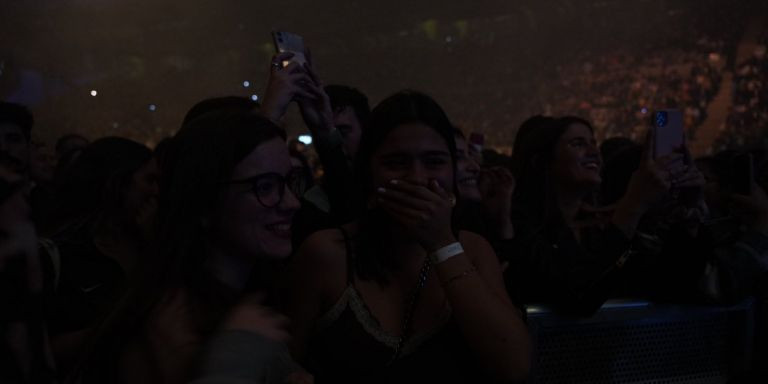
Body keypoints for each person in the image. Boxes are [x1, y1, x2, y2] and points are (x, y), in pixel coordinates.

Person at [283, 91, 530, 384]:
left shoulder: (473, 250)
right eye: (396, 162)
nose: (417, 177)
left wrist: (442, 244)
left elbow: (514, 366)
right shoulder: (327, 253)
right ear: (369, 172)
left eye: (434, 161)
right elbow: (285, 363)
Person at [74, 111, 305, 384]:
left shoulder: (238, 299)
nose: (292, 203)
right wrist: (237, 356)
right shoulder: (171, 324)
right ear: (205, 203)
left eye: (290, 182)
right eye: (265, 187)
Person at [508, 116, 703, 314]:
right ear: (542, 160)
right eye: (578, 144)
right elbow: (577, 296)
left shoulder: (601, 225)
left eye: (594, 143)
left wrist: (688, 216)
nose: (594, 152)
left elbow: (672, 288)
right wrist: (633, 204)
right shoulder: (519, 224)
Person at [44, 137, 159, 375]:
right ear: (117, 181)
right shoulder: (64, 252)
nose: (155, 191)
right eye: (149, 180)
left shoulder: (148, 244)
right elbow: (44, 347)